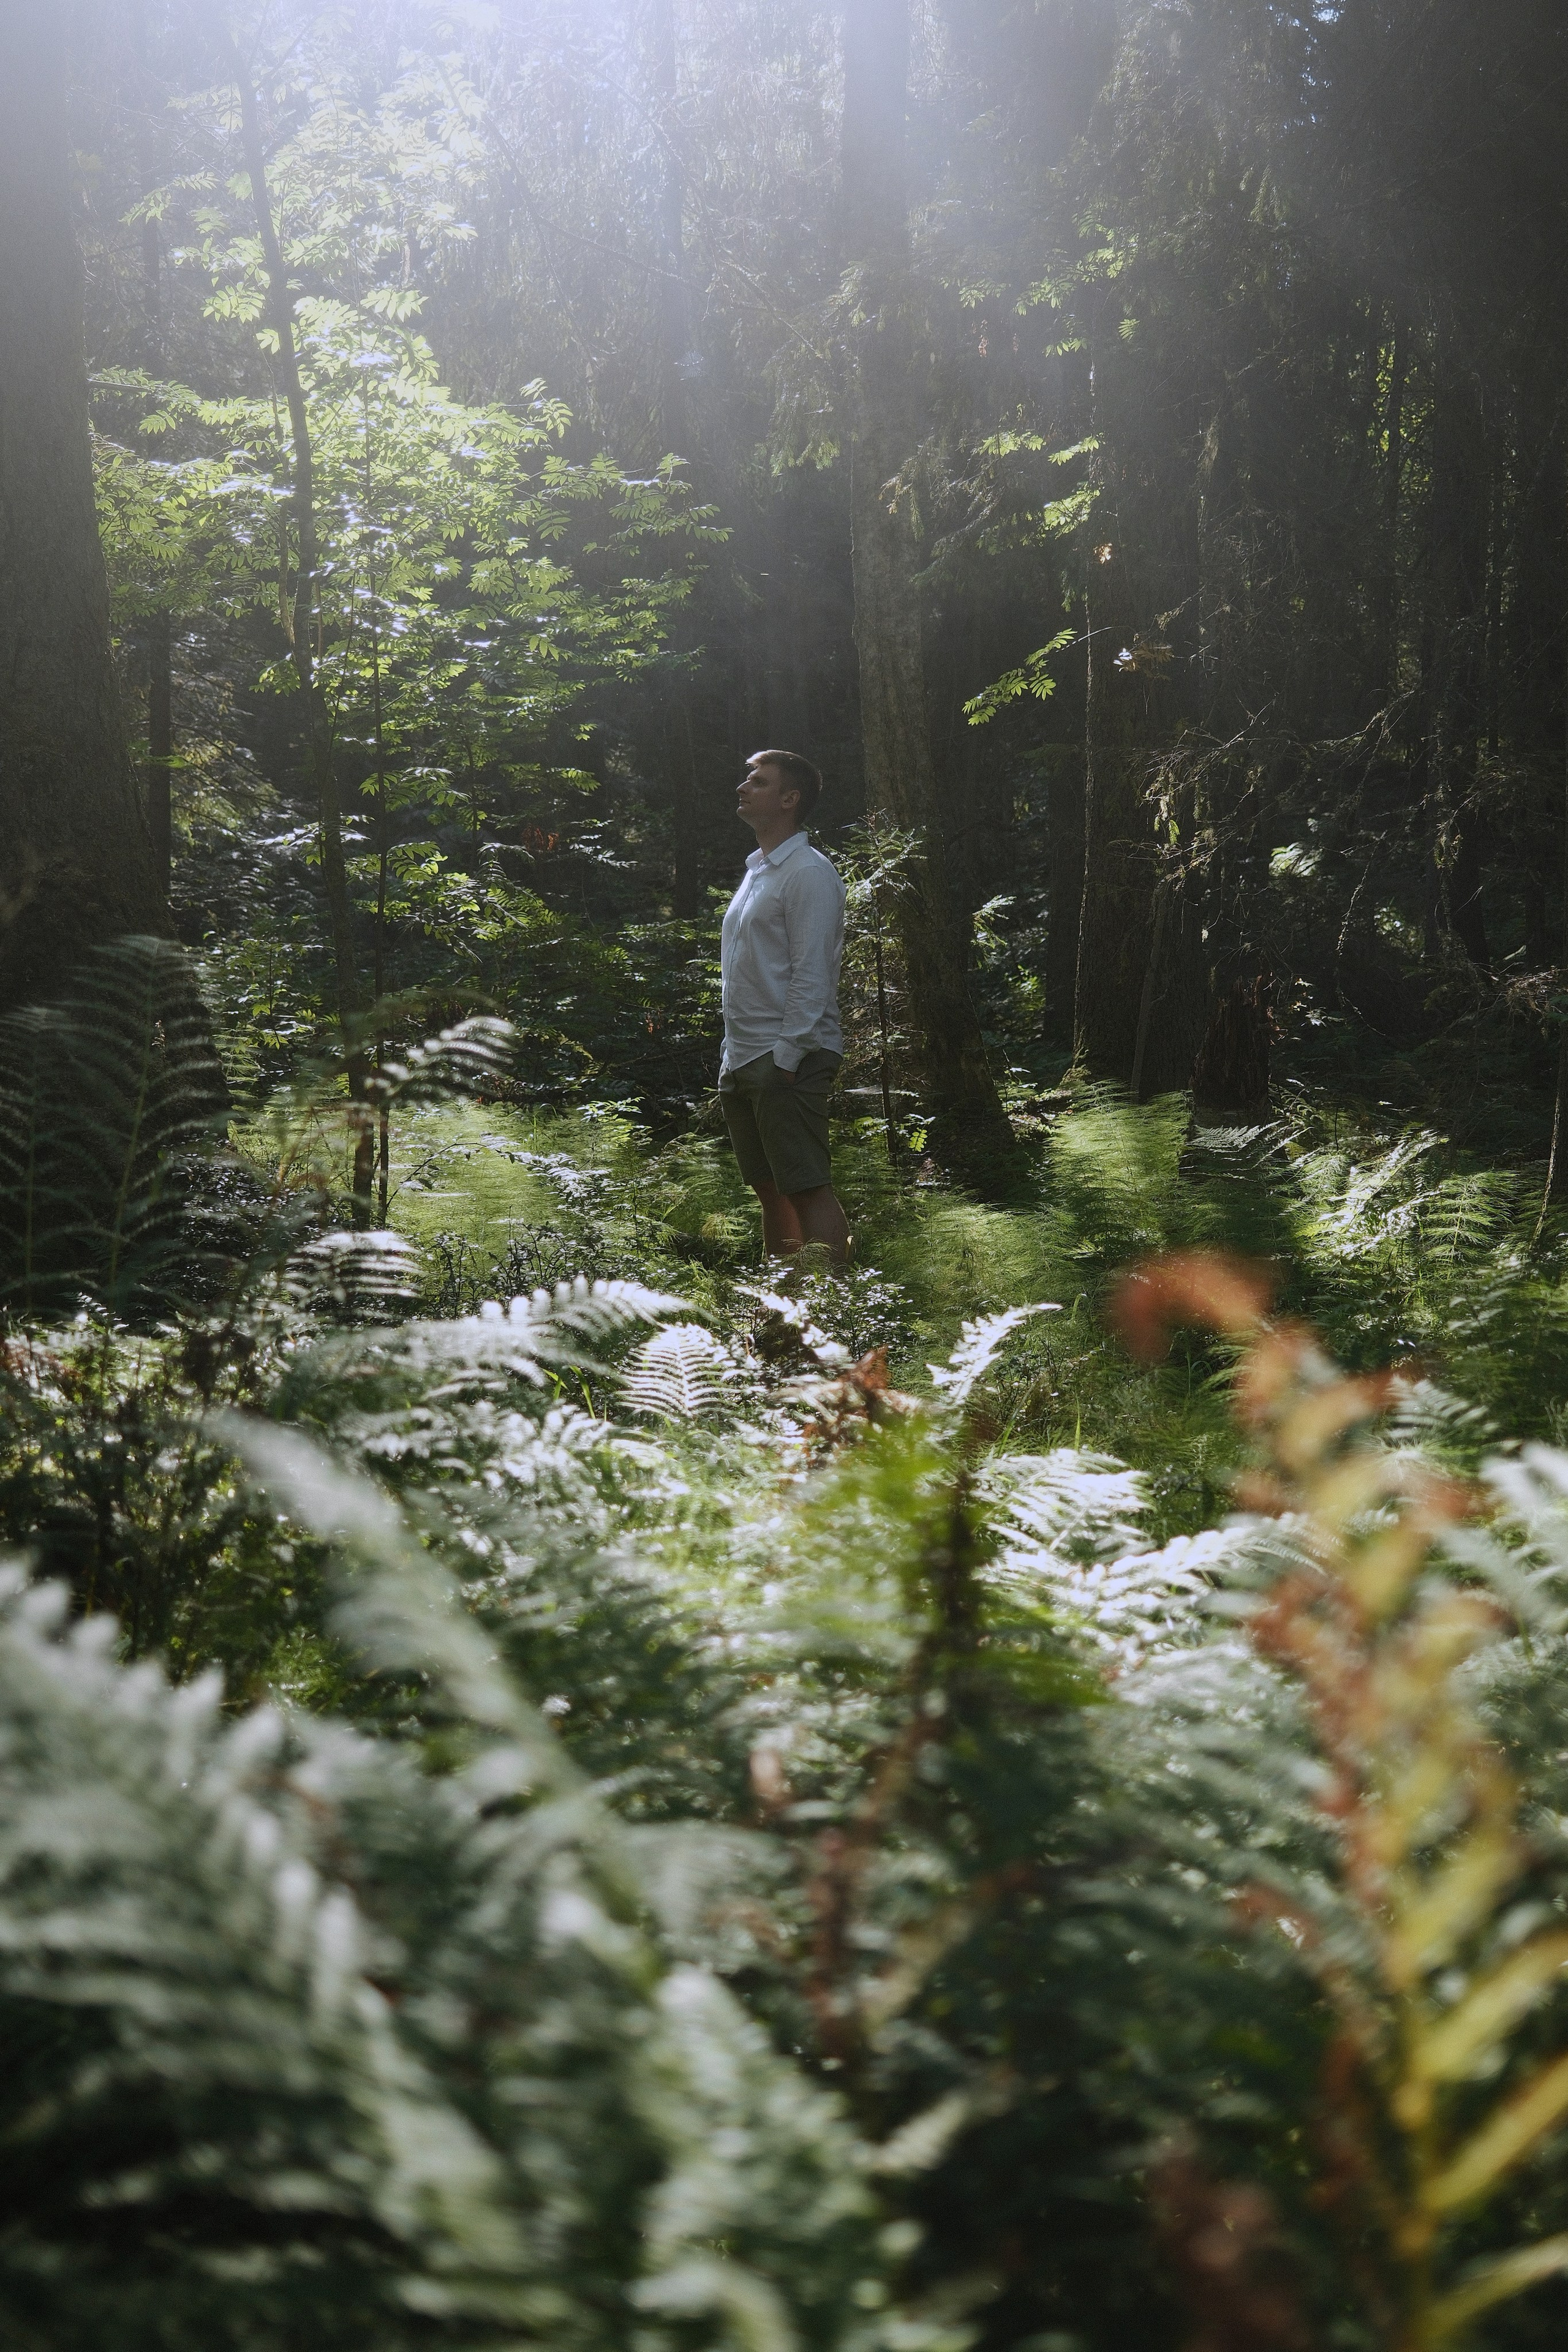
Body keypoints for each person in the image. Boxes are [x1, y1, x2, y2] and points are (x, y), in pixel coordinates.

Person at [718, 748, 851, 1266]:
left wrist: (788, 1056)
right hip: (743, 1057)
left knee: (808, 1187)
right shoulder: (759, 870)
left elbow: (812, 973)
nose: (743, 787)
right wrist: (732, 1055)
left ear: (790, 799)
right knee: (771, 1190)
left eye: (759, 782)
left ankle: (836, 1304)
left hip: (786, 1056)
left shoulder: (809, 873)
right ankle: (782, 1304)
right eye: (747, 778)